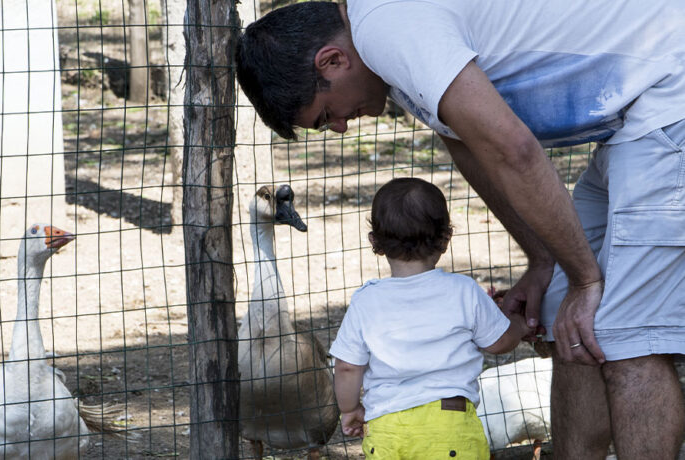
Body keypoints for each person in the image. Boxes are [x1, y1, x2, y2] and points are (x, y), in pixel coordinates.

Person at [236, 2, 685, 458]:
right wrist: (544, 261)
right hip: (633, 118)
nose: (341, 126)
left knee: (631, 340)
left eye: (326, 114)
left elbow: (514, 150)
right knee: (565, 319)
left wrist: (587, 279)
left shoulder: (386, 29)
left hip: (668, 93)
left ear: (333, 60)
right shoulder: (391, 53)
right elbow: (470, 145)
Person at [329, 177, 530, 459]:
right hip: (450, 426)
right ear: (446, 239)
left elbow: (347, 367)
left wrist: (350, 409)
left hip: (387, 429)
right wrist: (520, 325)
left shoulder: (366, 300)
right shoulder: (464, 291)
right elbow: (499, 342)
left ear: (375, 242)